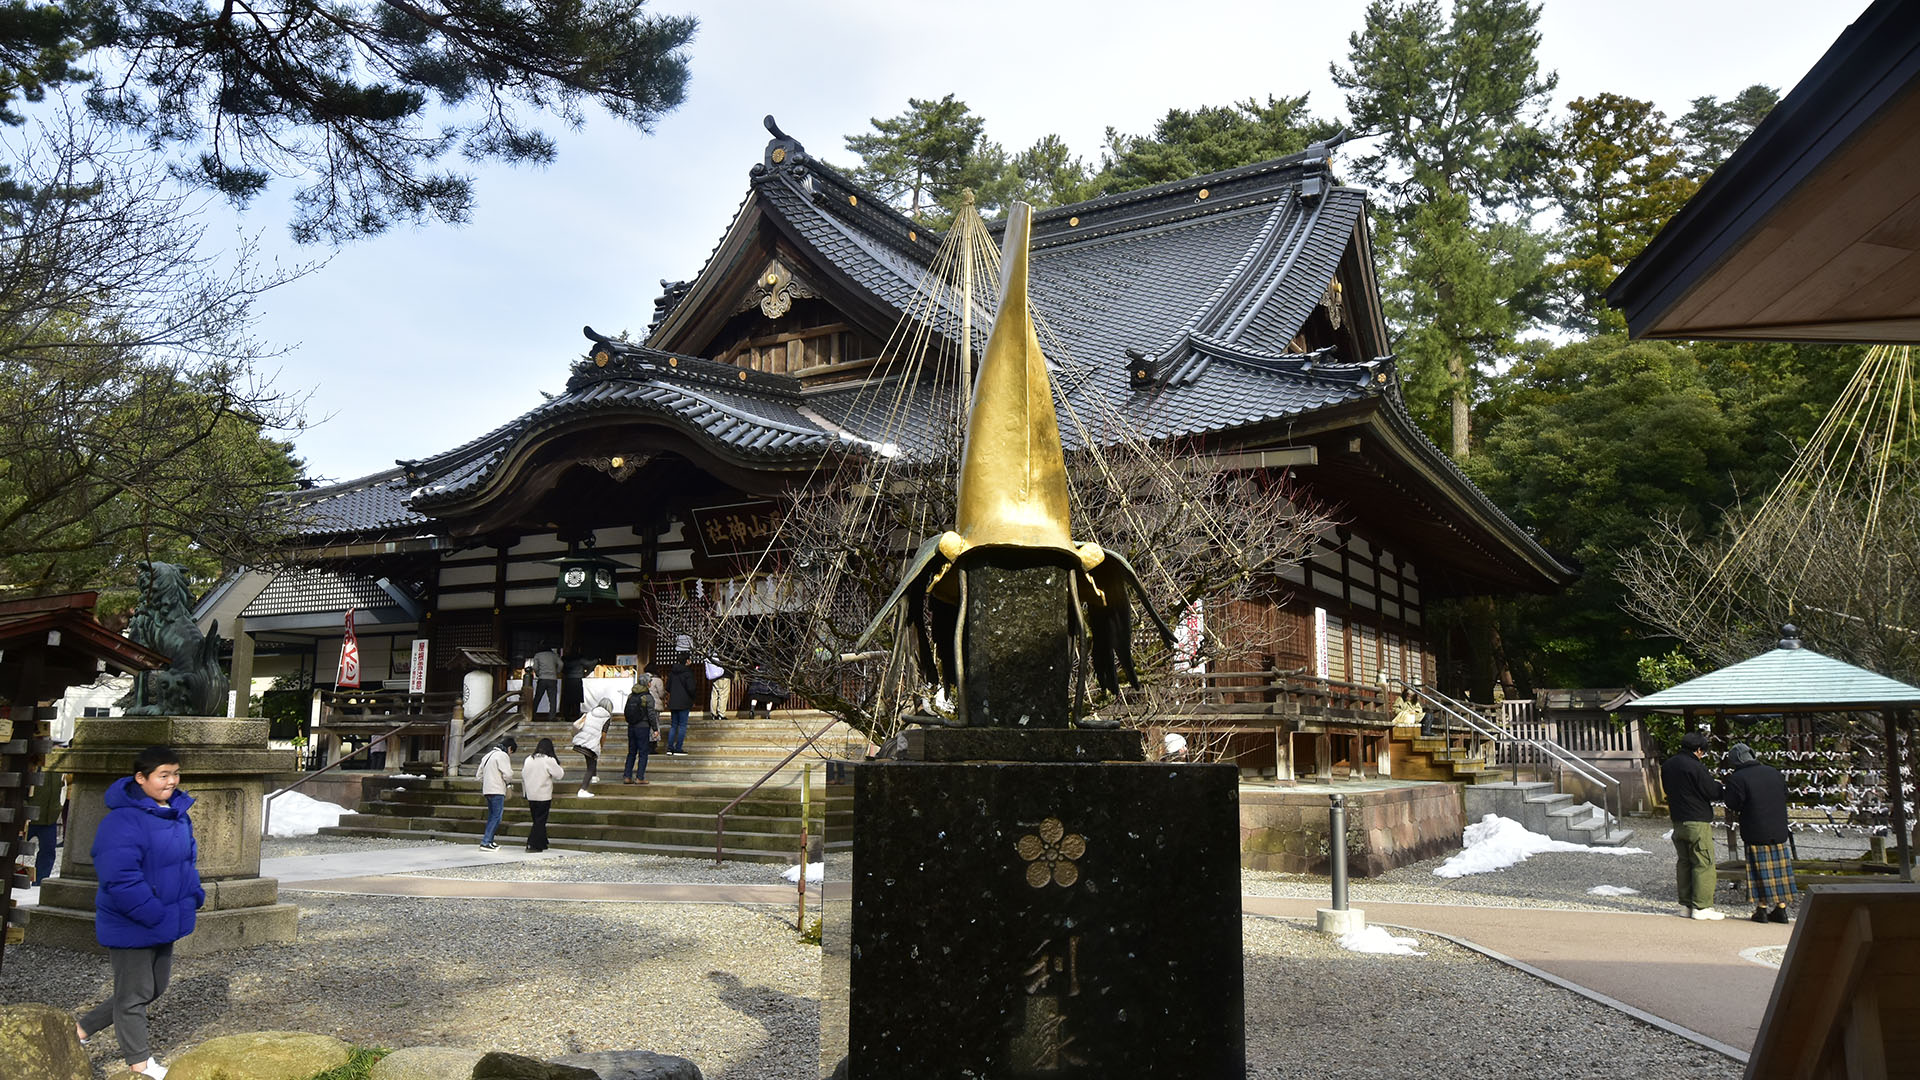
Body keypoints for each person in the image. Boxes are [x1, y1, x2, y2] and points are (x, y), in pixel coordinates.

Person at [76, 745, 205, 1079]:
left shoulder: (177, 814)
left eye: (175, 774)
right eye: (164, 775)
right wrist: (152, 912)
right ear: (141, 778)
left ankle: (80, 1030)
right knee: (134, 995)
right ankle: (139, 1064)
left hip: (167, 918)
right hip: (132, 922)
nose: (172, 781)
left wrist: (194, 894)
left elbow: (186, 863)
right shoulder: (121, 821)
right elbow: (119, 879)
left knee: (153, 989)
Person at [1724, 742, 1796, 923]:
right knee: (1779, 872)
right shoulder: (1774, 773)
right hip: (1778, 828)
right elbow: (1785, 794)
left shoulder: (1738, 778)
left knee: (1759, 871)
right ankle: (1781, 908)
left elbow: (1732, 803)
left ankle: (1762, 909)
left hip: (1755, 829)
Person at [1662, 730, 1726, 920]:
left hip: (1677, 819)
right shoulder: (1696, 767)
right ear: (1699, 750)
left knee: (1684, 862)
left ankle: (1686, 905)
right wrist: (1721, 787)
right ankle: (1702, 906)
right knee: (1703, 862)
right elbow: (1712, 791)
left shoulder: (1668, 765)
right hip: (1697, 820)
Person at [520, 738, 565, 853]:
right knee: (540, 821)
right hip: (543, 794)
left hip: (531, 794)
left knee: (536, 819)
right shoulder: (548, 760)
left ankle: (543, 842)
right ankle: (532, 843)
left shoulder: (529, 759)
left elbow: (523, 774)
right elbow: (559, 775)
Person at [477, 736, 517, 851]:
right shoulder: (502, 755)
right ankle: (486, 841)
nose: (510, 754)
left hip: (487, 789)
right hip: (497, 789)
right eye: (511, 752)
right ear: (509, 748)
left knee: (491, 816)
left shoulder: (487, 755)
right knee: (496, 817)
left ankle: (489, 840)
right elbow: (508, 774)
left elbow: (478, 775)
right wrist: (508, 783)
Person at [27, 765, 66, 883]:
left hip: (50, 817)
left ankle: (40, 883)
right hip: (28, 816)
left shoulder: (60, 766)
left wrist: (58, 807)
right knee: (12, 849)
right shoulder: (34, 762)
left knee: (48, 852)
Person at [572, 698, 612, 796]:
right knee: (591, 766)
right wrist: (601, 746)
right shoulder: (606, 717)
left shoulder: (590, 713)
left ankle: (594, 777)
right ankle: (583, 789)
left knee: (591, 759)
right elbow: (603, 734)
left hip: (582, 740)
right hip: (591, 742)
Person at [622, 679, 658, 784]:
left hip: (631, 726)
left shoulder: (631, 695)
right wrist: (655, 729)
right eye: (650, 681)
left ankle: (627, 776)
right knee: (643, 753)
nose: (651, 683)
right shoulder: (648, 697)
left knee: (631, 752)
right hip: (643, 726)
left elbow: (626, 711)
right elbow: (651, 714)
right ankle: (640, 777)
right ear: (647, 683)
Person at [666, 658, 697, 755]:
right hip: (684, 702)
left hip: (674, 702)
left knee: (674, 725)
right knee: (682, 725)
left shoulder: (672, 673)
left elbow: (667, 687)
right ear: (687, 661)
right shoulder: (688, 673)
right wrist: (693, 698)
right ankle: (678, 748)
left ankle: (670, 748)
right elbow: (691, 688)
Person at [528, 647, 562, 720]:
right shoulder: (554, 655)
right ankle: (552, 716)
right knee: (553, 699)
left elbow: (535, 667)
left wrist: (538, 674)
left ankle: (532, 715)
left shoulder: (538, 655)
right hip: (552, 679)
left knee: (537, 697)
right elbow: (561, 664)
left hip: (542, 678)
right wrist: (557, 672)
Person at [705, 656, 731, 722]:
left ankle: (713, 714)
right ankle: (721, 714)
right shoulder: (724, 651)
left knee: (714, 695)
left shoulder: (711, 652)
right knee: (723, 695)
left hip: (715, 676)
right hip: (724, 675)